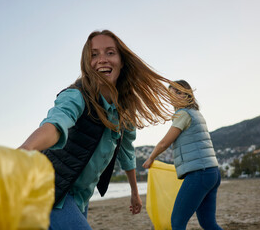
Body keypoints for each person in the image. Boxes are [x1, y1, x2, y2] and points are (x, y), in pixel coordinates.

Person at [19, 30, 191, 230]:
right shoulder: (77, 96)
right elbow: (56, 124)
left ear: (121, 60)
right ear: (86, 63)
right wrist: (26, 149)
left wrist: (135, 192)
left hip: (79, 195)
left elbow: (126, 151)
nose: (102, 59)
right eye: (94, 54)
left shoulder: (123, 111)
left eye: (110, 53)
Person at [143, 80, 223, 230]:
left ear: (187, 94)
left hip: (199, 174)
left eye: (178, 92)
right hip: (212, 173)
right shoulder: (196, 113)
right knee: (208, 223)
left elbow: (164, 143)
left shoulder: (183, 113)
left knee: (177, 222)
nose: (174, 97)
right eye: (172, 94)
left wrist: (151, 157)